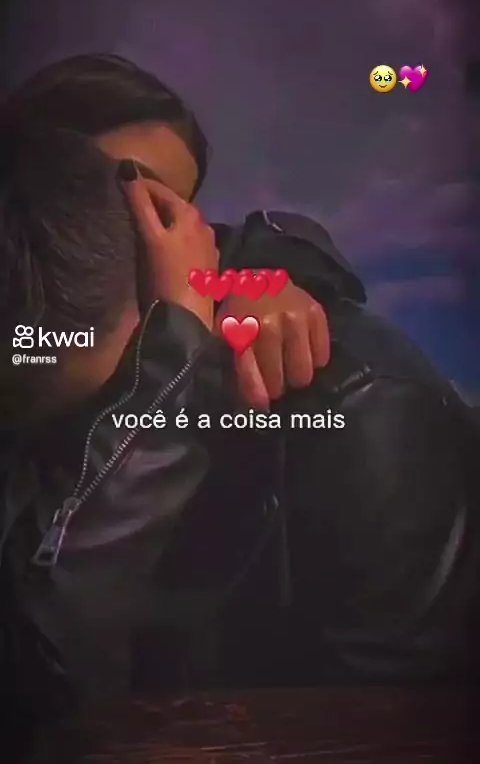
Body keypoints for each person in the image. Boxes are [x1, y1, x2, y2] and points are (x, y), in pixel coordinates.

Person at [0, 58, 478, 722]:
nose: (157, 240)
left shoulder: (345, 402)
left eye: (173, 209)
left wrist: (254, 281)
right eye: (122, 195)